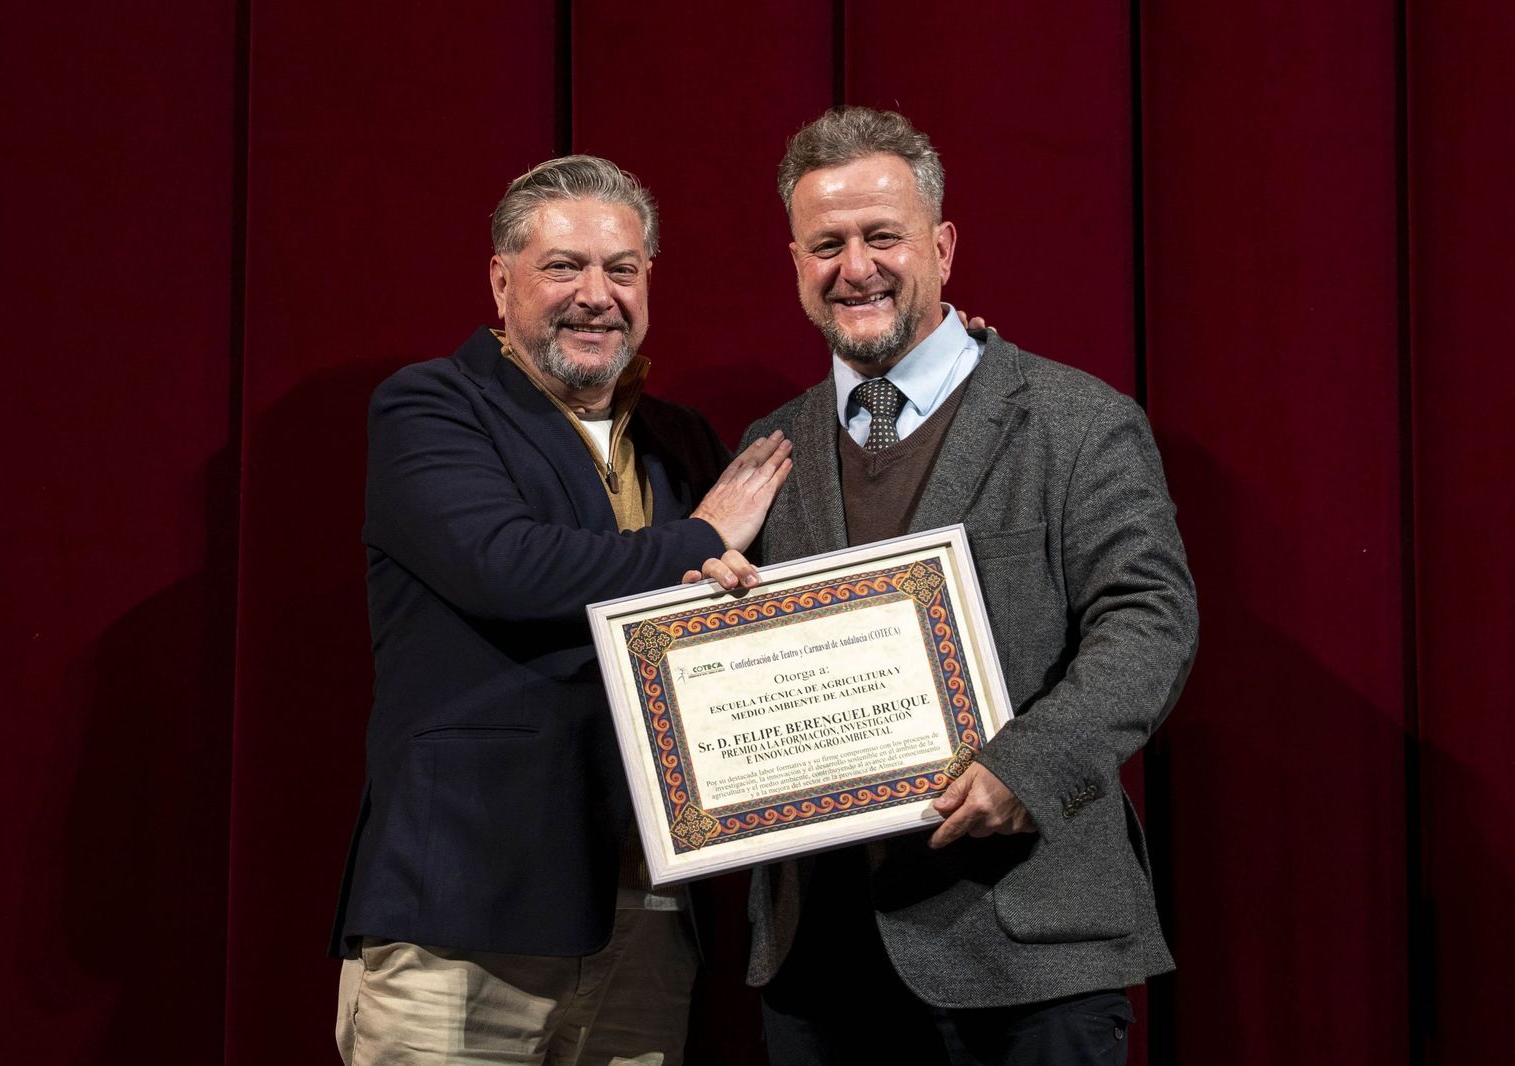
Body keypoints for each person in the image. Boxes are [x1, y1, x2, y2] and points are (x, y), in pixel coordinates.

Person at [694, 108, 1199, 1065]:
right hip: (821, 963)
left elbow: (1150, 619)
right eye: (826, 244)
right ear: (795, 259)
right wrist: (712, 606)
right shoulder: (767, 452)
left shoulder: (1075, 421)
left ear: (943, 244)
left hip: (1028, 951)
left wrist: (1029, 769)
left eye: (883, 237)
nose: (857, 268)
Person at [328, 155, 792, 1066]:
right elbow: (508, 567)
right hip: (466, 913)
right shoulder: (430, 408)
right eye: (563, 267)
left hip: (648, 917)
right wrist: (696, 539)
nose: (597, 295)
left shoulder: (684, 440)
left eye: (622, 269)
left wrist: (936, 360)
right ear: (502, 280)